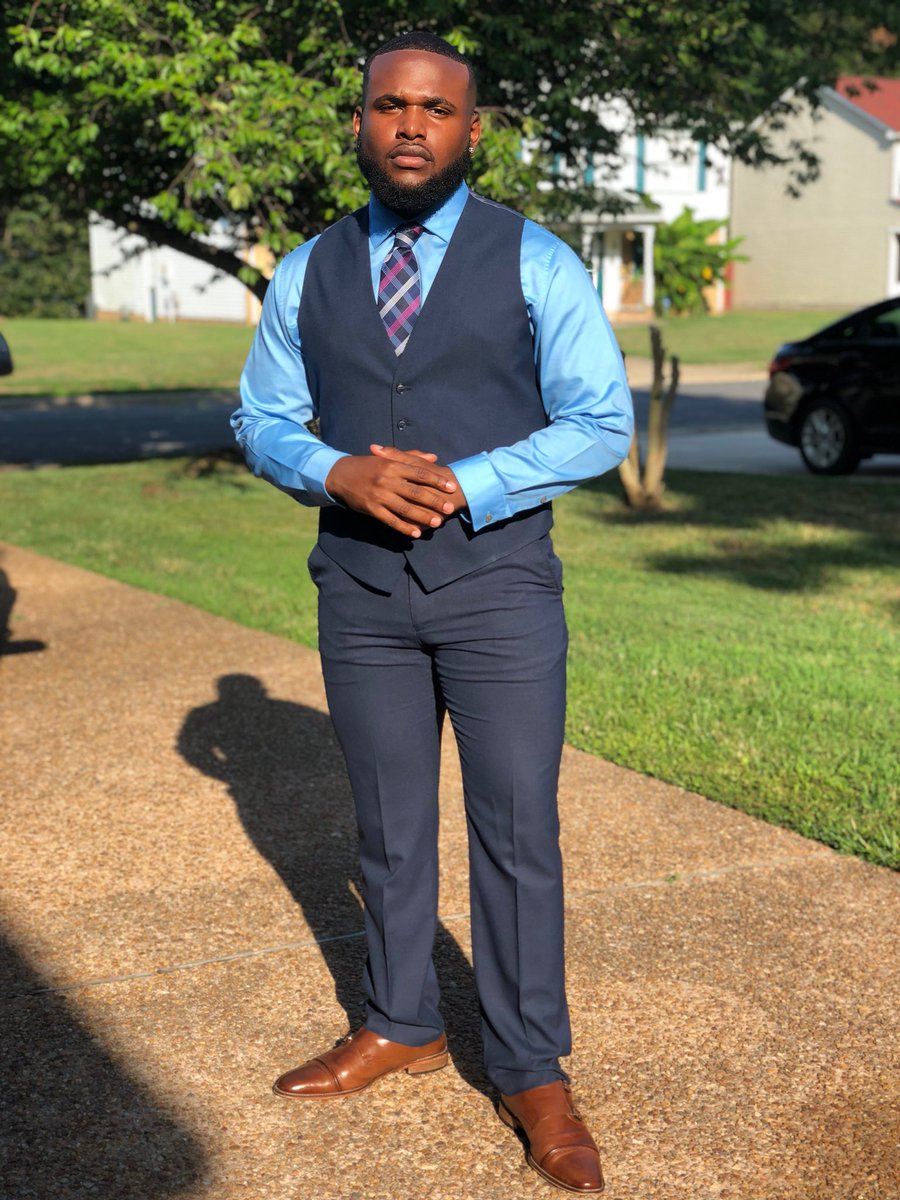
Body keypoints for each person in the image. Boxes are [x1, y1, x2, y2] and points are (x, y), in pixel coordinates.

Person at [233, 30, 633, 1194]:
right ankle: (400, 1022)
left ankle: (529, 1066)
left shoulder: (536, 260)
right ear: (358, 122)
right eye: (390, 105)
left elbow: (600, 421)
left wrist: (470, 480)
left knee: (515, 832)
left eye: (437, 109)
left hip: (499, 587)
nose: (411, 125)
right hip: (360, 594)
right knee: (388, 829)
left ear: (471, 130)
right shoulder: (306, 269)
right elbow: (261, 417)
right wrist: (336, 471)